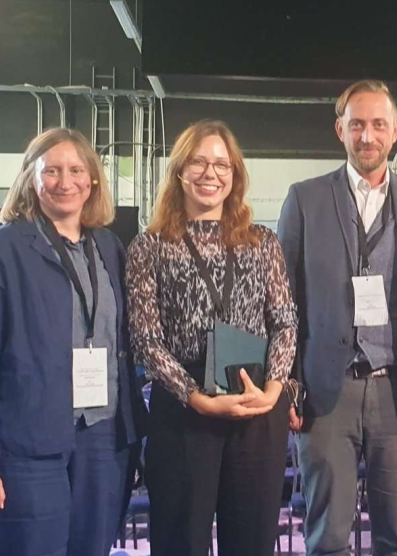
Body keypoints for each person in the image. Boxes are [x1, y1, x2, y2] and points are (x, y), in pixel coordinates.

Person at [277, 79, 397, 556]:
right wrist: (288, 385)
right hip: (325, 393)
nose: (368, 136)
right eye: (357, 124)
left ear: (396, 131)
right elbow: (283, 304)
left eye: (378, 124)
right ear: (340, 130)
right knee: (327, 539)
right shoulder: (304, 198)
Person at [0, 128, 147, 556]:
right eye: (52, 171)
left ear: (93, 180)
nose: (65, 181)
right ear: (30, 179)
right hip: (28, 446)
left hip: (103, 440)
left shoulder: (111, 248)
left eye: (77, 170)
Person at [127, 120, 298, 556]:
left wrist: (274, 391)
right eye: (199, 162)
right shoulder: (149, 247)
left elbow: (284, 322)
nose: (210, 173)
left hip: (256, 403)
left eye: (221, 164)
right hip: (185, 411)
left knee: (252, 542)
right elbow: (146, 338)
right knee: (180, 540)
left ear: (235, 175)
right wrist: (195, 396)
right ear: (180, 171)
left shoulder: (263, 242)